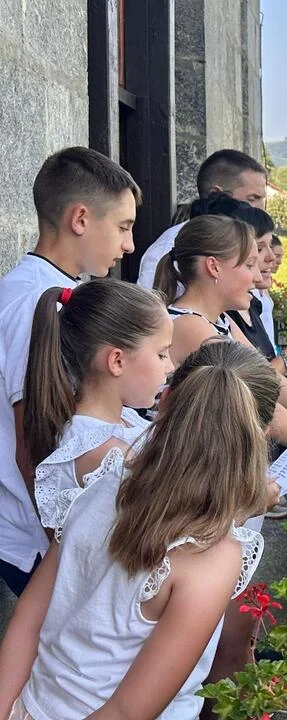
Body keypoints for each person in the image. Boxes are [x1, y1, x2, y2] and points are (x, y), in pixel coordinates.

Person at [0, 341, 280, 718]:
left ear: (165, 402)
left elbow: (29, 618)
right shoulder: (213, 555)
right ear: (261, 434)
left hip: (31, 705)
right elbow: (127, 711)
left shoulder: (105, 481)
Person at [0, 147, 140, 596]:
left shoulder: (49, 290)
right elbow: (33, 440)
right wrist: (60, 551)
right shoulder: (36, 303)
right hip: (37, 541)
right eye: (123, 226)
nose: (128, 245)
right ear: (80, 218)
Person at [155, 213, 287, 462]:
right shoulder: (190, 326)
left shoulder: (221, 320)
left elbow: (270, 380)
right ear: (214, 267)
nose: (257, 276)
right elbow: (258, 399)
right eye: (249, 265)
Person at [23, 280, 169, 529]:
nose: (170, 367)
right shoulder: (104, 452)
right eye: (162, 354)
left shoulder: (123, 420)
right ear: (117, 361)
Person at [138, 149, 267, 289]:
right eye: (252, 199)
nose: (260, 208)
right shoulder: (169, 248)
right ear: (215, 194)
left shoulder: (243, 241)